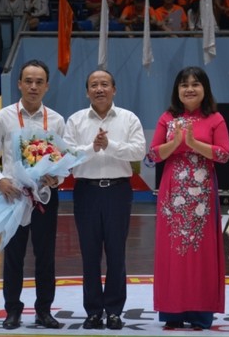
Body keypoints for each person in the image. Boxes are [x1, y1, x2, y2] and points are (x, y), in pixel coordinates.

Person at [0, 59, 64, 330]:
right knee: (13, 256)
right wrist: (0, 179)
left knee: (46, 256)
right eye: (28, 80)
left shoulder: (56, 120)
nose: (33, 86)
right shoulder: (3, 116)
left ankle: (44, 311)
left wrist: (57, 178)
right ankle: (12, 311)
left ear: (47, 86)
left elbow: (64, 159)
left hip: (45, 198)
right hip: (13, 196)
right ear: (19, 84)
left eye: (39, 82)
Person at [63, 69, 146, 331]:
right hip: (86, 191)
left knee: (116, 254)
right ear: (87, 91)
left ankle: (113, 311)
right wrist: (93, 148)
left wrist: (110, 145)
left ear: (114, 89)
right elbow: (68, 155)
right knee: (89, 255)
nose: (99, 89)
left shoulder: (128, 118)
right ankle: (93, 311)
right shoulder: (75, 121)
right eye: (94, 85)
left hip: (118, 192)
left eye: (105, 84)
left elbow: (138, 151)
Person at [148, 66, 229, 330]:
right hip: (172, 193)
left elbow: (224, 155)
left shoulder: (215, 118)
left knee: (201, 251)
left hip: (203, 194)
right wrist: (176, 143)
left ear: (205, 89)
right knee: (172, 252)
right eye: (184, 84)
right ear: (177, 90)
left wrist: (194, 144)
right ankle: (172, 312)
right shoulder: (167, 118)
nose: (190, 89)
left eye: (195, 84)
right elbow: (152, 157)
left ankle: (200, 314)